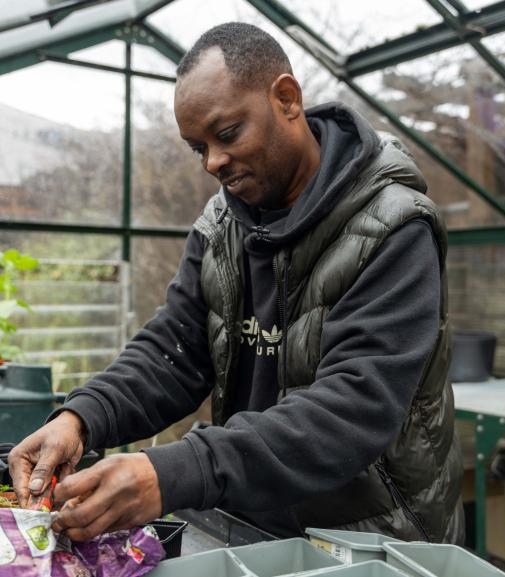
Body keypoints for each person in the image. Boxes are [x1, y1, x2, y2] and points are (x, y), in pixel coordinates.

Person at [9, 22, 464, 543]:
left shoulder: (394, 226)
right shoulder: (221, 226)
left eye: (226, 135)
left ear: (286, 98)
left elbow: (352, 409)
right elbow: (174, 352)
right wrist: (82, 417)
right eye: (197, 148)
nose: (214, 163)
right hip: (249, 520)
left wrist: (176, 471)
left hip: (371, 538)